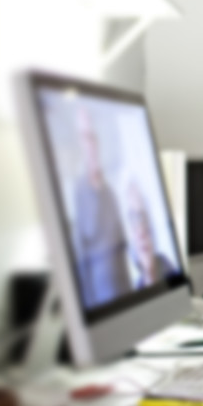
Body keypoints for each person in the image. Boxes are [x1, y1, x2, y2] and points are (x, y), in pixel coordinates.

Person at [71, 106, 130, 308]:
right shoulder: (77, 195)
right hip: (100, 308)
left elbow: (122, 253)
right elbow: (81, 268)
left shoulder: (111, 193)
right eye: (86, 137)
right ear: (79, 144)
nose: (91, 144)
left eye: (94, 137)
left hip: (124, 302)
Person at [123, 178, 178, 289]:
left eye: (143, 215)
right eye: (133, 218)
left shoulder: (172, 276)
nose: (140, 230)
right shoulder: (137, 289)